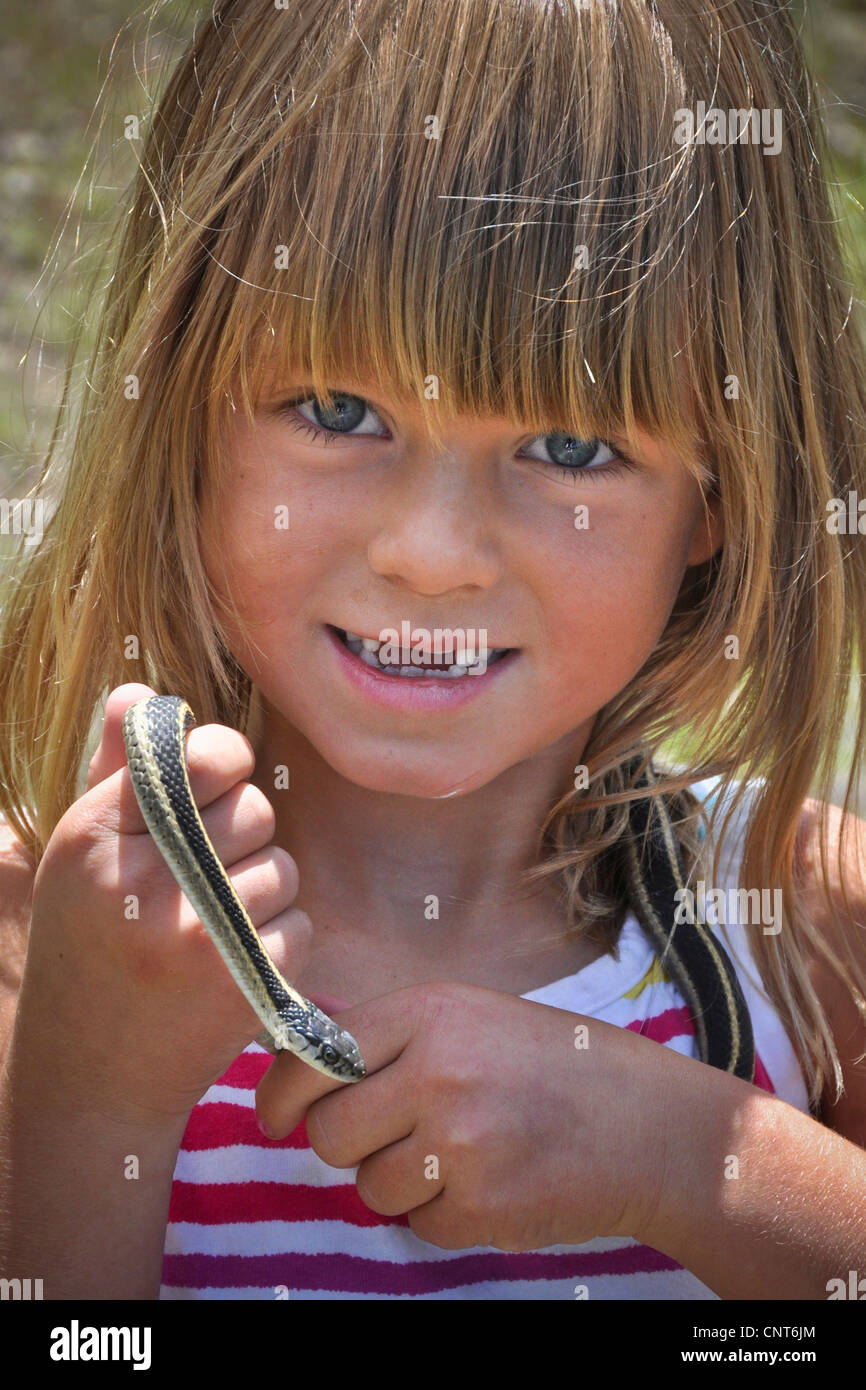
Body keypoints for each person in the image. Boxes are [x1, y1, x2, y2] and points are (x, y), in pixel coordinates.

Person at [1, 0, 865, 1300]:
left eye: (571, 448)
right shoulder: (49, 937)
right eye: (338, 408)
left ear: (719, 495)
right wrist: (90, 1106)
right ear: (186, 400)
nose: (431, 552)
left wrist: (692, 1156)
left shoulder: (800, 921)